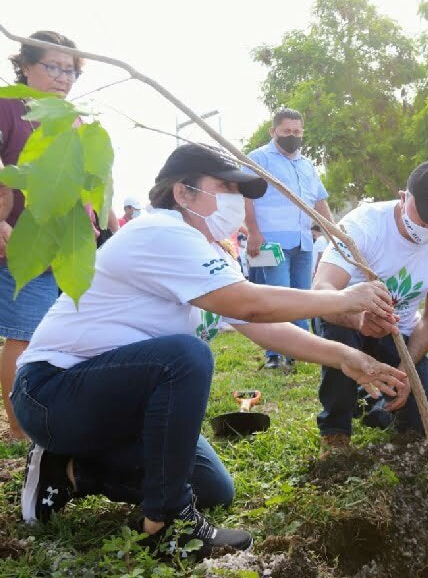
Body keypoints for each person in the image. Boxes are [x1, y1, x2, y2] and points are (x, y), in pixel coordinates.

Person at [11, 144, 404, 559]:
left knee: (213, 487)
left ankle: (69, 471)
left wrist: (344, 357)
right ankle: (166, 524)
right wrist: (343, 299)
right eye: (225, 187)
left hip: (114, 402)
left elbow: (262, 325)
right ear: (183, 193)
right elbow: (249, 303)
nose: (235, 201)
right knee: (184, 358)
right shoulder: (160, 232)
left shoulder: (209, 250)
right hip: (53, 393)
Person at [313, 161, 428, 457]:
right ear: (403, 197)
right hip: (346, 323)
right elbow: (321, 293)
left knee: (426, 429)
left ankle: (375, 400)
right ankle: (335, 430)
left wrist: (405, 370)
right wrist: (358, 319)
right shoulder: (364, 225)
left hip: (399, 331)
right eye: (427, 217)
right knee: (339, 336)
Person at [0, 30, 83, 441]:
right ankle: (19, 430)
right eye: (52, 66)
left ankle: (51, 415)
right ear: (25, 65)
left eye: (69, 70)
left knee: (58, 335)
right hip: (22, 243)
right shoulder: (7, 106)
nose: (62, 77)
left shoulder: (72, 118)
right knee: (24, 333)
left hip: (66, 248)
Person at [244, 108, 333, 370]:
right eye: (286, 132)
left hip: (303, 241)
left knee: (301, 298)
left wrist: (333, 232)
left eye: (296, 132)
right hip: (271, 241)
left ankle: (298, 351)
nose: (292, 136)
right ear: (273, 132)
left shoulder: (306, 165)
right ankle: (274, 354)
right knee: (277, 298)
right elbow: (247, 197)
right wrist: (253, 231)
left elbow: (319, 200)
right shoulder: (258, 159)